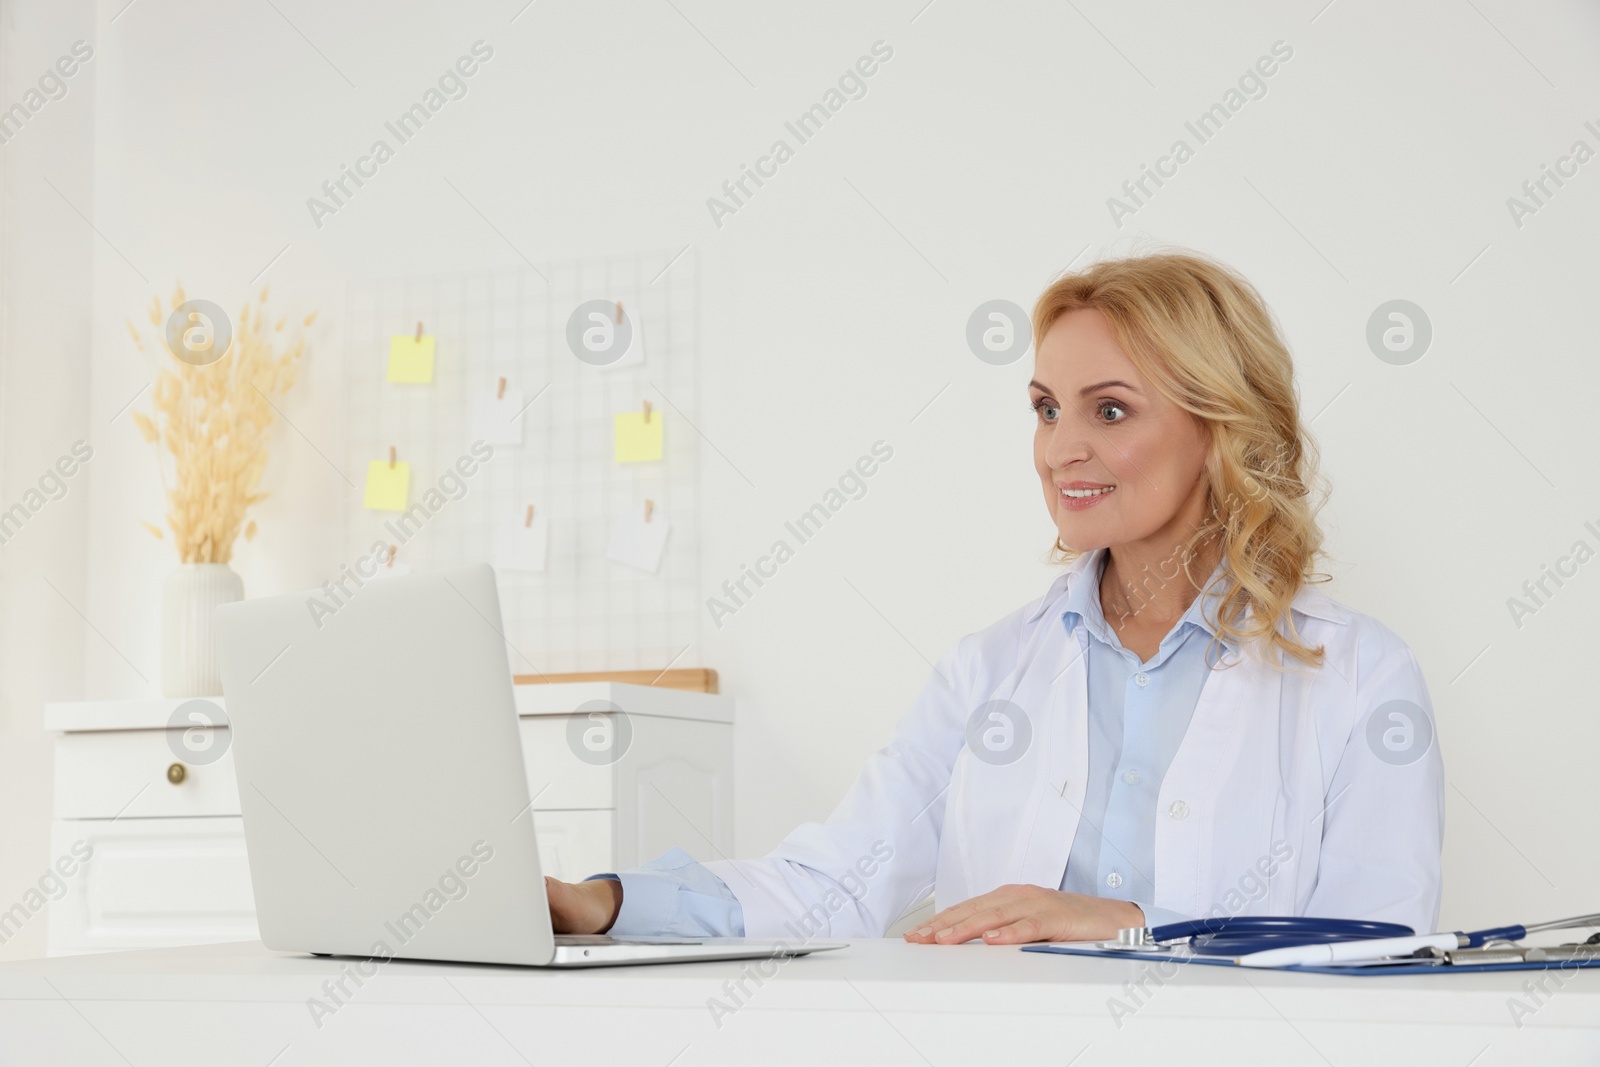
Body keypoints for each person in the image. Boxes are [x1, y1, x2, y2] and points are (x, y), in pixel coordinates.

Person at [545, 250, 1445, 945]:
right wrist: (605, 903)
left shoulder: (1359, 675)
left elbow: (1377, 949)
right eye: (1047, 408)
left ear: (1220, 428)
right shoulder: (989, 672)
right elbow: (839, 881)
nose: (1059, 450)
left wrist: (1128, 923)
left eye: (1111, 410)